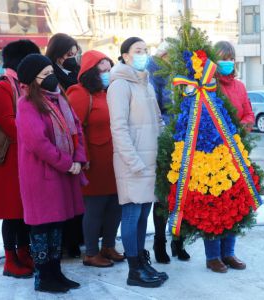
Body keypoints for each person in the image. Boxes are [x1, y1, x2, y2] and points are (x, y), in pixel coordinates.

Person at [16, 54, 86, 293]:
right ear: (31, 80)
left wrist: (78, 158)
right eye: (44, 75)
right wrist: (67, 163)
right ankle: (44, 277)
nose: (51, 78)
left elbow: (76, 128)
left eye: (51, 73)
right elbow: (38, 143)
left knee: (57, 225)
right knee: (42, 227)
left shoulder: (59, 99)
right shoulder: (26, 104)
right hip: (41, 175)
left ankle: (56, 273)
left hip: (61, 173)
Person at [107, 37, 167, 288]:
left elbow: (158, 120)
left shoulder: (146, 83)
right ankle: (134, 269)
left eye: (145, 50)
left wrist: (167, 147)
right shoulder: (120, 86)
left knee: (144, 214)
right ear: (125, 56)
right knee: (131, 214)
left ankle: (141, 261)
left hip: (150, 160)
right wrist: (133, 162)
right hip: (132, 162)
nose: (143, 54)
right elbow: (118, 128)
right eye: (137, 51)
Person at [197, 40, 254, 273]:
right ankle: (213, 256)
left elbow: (249, 113)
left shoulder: (239, 87)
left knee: (234, 204)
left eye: (230, 58)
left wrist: (243, 125)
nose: (227, 63)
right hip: (213, 154)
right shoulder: (208, 86)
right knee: (214, 206)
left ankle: (228, 253)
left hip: (237, 153)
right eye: (223, 58)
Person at [67, 50, 124, 268]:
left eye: (110, 70)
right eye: (103, 70)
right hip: (94, 163)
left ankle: (108, 246)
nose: (108, 74)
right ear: (91, 72)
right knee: (95, 208)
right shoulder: (80, 93)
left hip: (114, 160)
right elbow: (74, 129)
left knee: (115, 206)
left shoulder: (108, 92)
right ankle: (91, 252)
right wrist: (83, 158)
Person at [0, 40, 39, 279]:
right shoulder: (3, 85)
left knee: (23, 211)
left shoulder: (20, 84)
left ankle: (24, 252)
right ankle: (10, 260)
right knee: (11, 212)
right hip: (9, 159)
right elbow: (7, 121)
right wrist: (34, 137)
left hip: (23, 157)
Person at [148, 42, 190, 264]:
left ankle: (179, 240)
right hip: (165, 139)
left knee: (183, 192)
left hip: (185, 136)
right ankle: (159, 242)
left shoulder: (182, 73)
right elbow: (154, 108)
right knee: (164, 195)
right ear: (163, 54)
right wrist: (168, 130)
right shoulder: (152, 73)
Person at [46, 33, 83, 257]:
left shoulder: (74, 69)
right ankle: (65, 243)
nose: (72, 54)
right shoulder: (50, 72)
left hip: (75, 131)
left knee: (76, 194)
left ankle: (75, 240)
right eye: (69, 50)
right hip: (60, 136)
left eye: (75, 50)